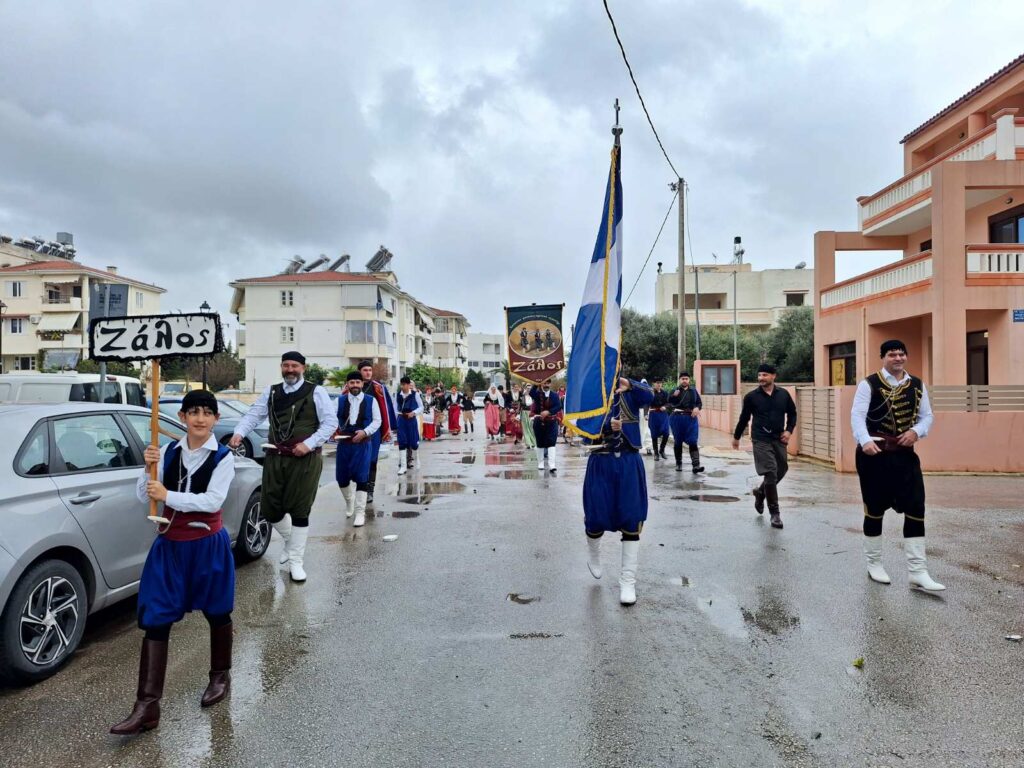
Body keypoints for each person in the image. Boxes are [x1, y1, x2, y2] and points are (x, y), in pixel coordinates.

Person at [111, 390, 237, 735]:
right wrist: (148, 467)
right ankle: (147, 706)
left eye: (207, 412)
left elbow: (213, 501)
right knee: (156, 617)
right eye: (193, 411)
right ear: (182, 417)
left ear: (214, 419)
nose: (199, 418)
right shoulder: (167, 451)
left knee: (217, 611)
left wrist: (168, 495)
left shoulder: (223, 456)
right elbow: (144, 495)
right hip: (170, 544)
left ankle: (220, 675)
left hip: (206, 544)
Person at [231, 351, 338, 582]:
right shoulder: (271, 392)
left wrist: (308, 444)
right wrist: (239, 432)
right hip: (275, 457)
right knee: (270, 509)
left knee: (300, 510)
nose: (290, 370)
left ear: (303, 368)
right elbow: (254, 415)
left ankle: (296, 562)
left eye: (295, 366)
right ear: (281, 367)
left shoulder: (315, 391)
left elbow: (331, 423)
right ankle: (291, 544)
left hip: (305, 459)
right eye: (286, 365)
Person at [852, 340, 943, 591]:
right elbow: (857, 416)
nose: (898, 358)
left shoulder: (916, 384)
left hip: (905, 455)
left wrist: (916, 431)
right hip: (874, 456)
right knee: (874, 508)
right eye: (892, 354)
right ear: (883, 357)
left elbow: (927, 416)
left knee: (916, 507)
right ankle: (875, 564)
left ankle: (918, 571)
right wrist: (865, 440)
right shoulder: (868, 384)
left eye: (902, 353)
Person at [582, 378, 654, 605]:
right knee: (596, 516)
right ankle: (594, 556)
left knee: (632, 517)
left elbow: (650, 397)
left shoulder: (631, 391)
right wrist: (605, 428)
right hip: (601, 461)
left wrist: (629, 384)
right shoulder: (591, 394)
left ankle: (628, 581)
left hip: (629, 461)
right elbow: (583, 431)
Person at [732, 363, 797, 530]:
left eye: (765, 375)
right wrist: (737, 437)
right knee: (770, 471)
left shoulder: (783, 395)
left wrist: (789, 430)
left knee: (781, 469)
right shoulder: (752, 397)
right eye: (759, 375)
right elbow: (744, 418)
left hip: (778, 438)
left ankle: (761, 493)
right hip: (760, 439)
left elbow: (792, 413)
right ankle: (775, 514)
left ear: (773, 376)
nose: (761, 378)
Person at [336, 371, 382, 527]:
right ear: (347, 384)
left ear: (362, 384)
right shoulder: (340, 400)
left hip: (363, 444)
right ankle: (349, 501)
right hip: (344, 444)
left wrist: (364, 432)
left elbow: (377, 421)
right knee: (341, 478)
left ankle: (360, 512)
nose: (354, 385)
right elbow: (330, 419)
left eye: (357, 382)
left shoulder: (371, 400)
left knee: (362, 477)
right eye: (351, 383)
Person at [359, 360, 397, 504]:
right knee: (358, 460)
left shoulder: (379, 388)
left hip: (374, 430)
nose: (368, 372)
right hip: (356, 430)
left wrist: (390, 428)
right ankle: (360, 488)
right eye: (365, 370)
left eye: (369, 370)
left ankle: (370, 490)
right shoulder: (353, 386)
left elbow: (387, 408)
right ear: (360, 371)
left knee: (372, 459)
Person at [667, 372, 704, 473]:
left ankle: (696, 466)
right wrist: (673, 396)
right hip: (678, 419)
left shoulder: (693, 391)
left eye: (686, 379)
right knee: (678, 441)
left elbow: (699, 403)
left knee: (693, 440)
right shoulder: (675, 391)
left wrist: (697, 408)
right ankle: (678, 463)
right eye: (683, 378)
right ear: (679, 380)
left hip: (691, 419)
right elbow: (668, 403)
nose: (684, 380)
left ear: (689, 380)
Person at [530, 378, 562, 473]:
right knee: (540, 443)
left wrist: (548, 412)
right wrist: (536, 383)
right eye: (544, 383)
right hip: (539, 421)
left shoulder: (555, 395)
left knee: (551, 442)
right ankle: (540, 463)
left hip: (551, 422)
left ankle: (552, 465)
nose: (546, 385)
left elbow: (558, 406)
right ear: (541, 384)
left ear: (550, 384)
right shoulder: (537, 394)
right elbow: (531, 392)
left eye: (548, 383)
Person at [395, 376, 423, 475]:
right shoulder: (398, 395)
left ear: (408, 385)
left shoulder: (415, 394)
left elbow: (421, 407)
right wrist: (395, 423)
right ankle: (403, 466)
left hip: (411, 420)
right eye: (401, 385)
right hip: (401, 420)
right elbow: (395, 408)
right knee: (402, 442)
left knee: (414, 443)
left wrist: (414, 413)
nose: (402, 387)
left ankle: (417, 460)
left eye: (404, 385)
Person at [647, 377, 670, 460]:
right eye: (657, 382)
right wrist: (647, 412)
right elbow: (646, 403)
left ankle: (662, 450)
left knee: (666, 433)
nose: (659, 384)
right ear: (653, 384)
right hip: (654, 415)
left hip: (663, 415)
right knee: (654, 434)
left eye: (660, 382)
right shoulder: (650, 393)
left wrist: (664, 406)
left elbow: (668, 403)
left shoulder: (665, 393)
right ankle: (656, 453)